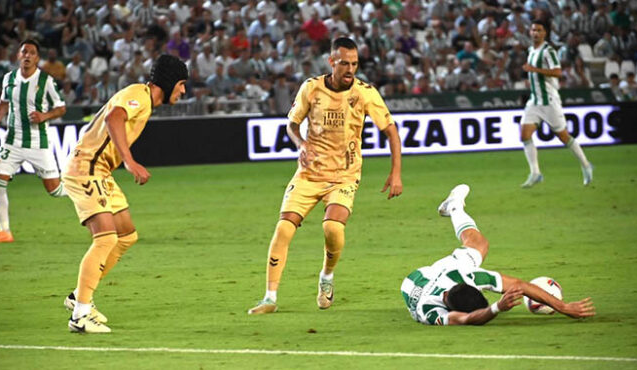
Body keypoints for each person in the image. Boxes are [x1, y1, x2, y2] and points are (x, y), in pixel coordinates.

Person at [248, 37, 403, 315]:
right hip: (310, 173)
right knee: (283, 228)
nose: (350, 69)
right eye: (345, 63)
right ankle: (269, 298)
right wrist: (301, 144)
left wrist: (396, 174)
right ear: (332, 62)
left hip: (344, 175)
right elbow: (292, 123)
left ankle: (327, 277)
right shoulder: (311, 88)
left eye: (354, 63)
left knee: (332, 228)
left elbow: (391, 131)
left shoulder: (366, 93)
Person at [61, 54, 188, 333]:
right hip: (87, 169)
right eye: (181, 84)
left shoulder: (143, 101)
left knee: (126, 235)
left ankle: (79, 296)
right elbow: (113, 116)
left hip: (101, 172)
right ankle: (80, 316)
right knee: (105, 238)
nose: (183, 90)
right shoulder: (138, 95)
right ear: (167, 83)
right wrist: (129, 161)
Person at [402, 184, 596, 325]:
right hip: (414, 281)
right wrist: (497, 308)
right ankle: (454, 206)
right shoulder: (429, 309)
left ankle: (454, 206)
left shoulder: (469, 277)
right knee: (478, 246)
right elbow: (466, 319)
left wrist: (563, 307)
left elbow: (520, 285)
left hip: (448, 271)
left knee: (479, 243)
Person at [0, 39, 68, 244]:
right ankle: (4, 232)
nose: (27, 56)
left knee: (56, 191)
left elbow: (61, 108)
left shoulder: (46, 81)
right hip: (12, 141)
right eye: (24, 52)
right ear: (18, 56)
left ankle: (87, 189)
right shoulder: (9, 78)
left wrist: (44, 116)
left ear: (37, 58)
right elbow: (4, 102)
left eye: (32, 53)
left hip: (37, 143)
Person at [520, 19, 593, 188]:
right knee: (524, 134)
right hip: (535, 101)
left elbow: (558, 72)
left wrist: (535, 70)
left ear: (545, 33)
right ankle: (535, 173)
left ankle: (586, 166)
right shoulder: (531, 50)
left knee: (564, 137)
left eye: (539, 30)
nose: (535, 33)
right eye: (533, 30)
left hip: (550, 101)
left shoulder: (548, 51)